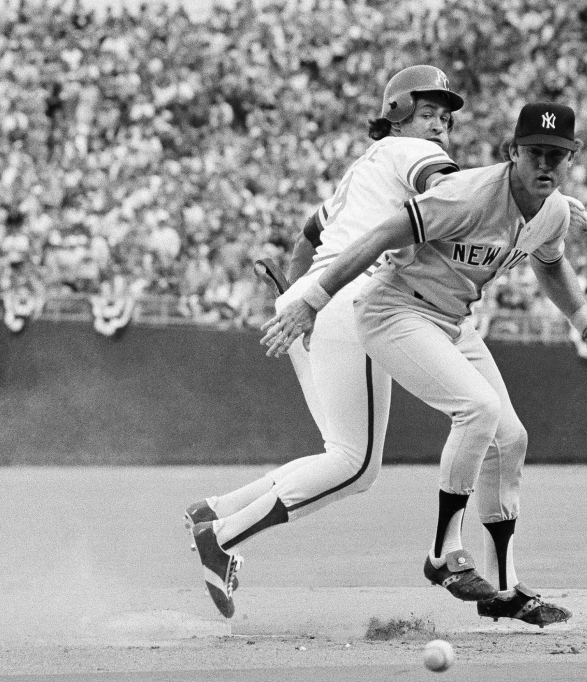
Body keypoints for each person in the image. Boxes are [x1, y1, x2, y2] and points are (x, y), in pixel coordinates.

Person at [262, 102, 587, 628]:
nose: (546, 164)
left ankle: (503, 588)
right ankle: (443, 554)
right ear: (513, 153)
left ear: (571, 162)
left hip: (450, 319)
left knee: (510, 437)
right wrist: (312, 297)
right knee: (476, 408)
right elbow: (382, 234)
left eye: (558, 156)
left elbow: (552, 265)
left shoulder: (555, 211)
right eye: (536, 153)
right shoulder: (468, 193)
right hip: (393, 308)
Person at [185, 65, 466, 619]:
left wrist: (299, 297)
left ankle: (212, 511)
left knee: (342, 452)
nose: (441, 126)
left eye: (446, 118)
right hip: (356, 298)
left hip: (327, 299)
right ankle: (222, 537)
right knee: (355, 464)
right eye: (429, 113)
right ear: (398, 114)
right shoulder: (408, 154)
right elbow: (453, 193)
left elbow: (309, 234)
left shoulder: (365, 169)